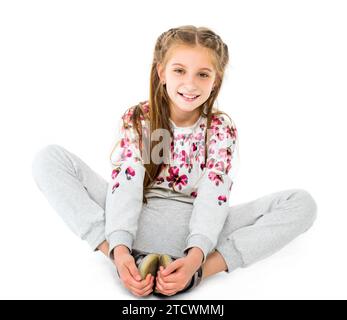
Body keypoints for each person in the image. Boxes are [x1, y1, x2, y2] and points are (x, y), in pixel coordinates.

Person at [31, 25, 318, 298]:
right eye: (180, 70)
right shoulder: (141, 117)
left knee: (302, 203)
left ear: (216, 79)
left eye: (203, 74)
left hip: (197, 231)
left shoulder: (219, 128)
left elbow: (212, 194)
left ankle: (196, 272)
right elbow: (127, 183)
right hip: (134, 220)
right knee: (49, 159)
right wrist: (118, 248)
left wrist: (196, 257)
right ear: (162, 72)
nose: (190, 84)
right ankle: (123, 259)